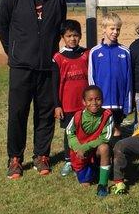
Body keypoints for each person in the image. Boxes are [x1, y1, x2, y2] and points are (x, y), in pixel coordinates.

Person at [0, 0, 67, 179]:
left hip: (47, 66)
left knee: (45, 113)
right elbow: (2, 25)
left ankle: (41, 155)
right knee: (18, 113)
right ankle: (15, 158)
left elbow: (59, 28)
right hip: (21, 67)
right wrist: (13, 52)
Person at [88, 12, 132, 145]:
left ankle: (116, 159)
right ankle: (102, 160)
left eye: (118, 29)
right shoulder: (95, 52)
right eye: (112, 28)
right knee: (101, 130)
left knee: (117, 129)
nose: (115, 32)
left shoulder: (125, 52)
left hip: (118, 101)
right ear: (103, 29)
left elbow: (129, 80)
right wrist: (93, 100)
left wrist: (127, 104)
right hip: (102, 101)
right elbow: (91, 79)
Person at [52, 19, 89, 177]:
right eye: (69, 36)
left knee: (84, 132)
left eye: (75, 35)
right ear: (63, 37)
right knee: (70, 133)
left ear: (80, 36)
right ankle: (68, 160)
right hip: (67, 104)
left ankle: (83, 159)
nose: (72, 38)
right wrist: (57, 105)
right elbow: (54, 84)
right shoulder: (58, 58)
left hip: (84, 104)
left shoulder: (86, 54)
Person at [65, 85, 113, 197]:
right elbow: (69, 132)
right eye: (90, 100)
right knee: (85, 182)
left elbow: (105, 137)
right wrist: (78, 147)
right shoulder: (78, 116)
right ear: (84, 102)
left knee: (105, 148)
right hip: (80, 153)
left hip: (95, 150)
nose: (94, 103)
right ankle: (89, 169)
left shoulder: (107, 115)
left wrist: (86, 147)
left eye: (98, 99)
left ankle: (102, 184)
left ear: (102, 99)